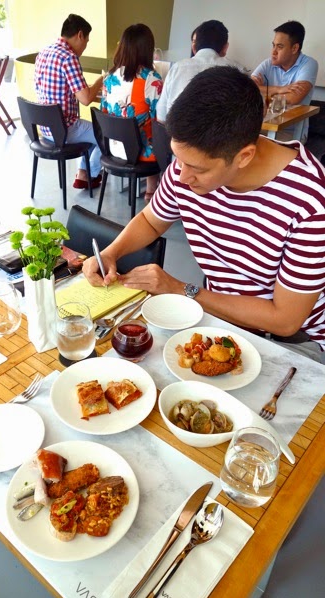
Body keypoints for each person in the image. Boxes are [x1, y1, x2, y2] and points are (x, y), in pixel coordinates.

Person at [83, 66, 325, 363]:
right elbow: (150, 220)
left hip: (293, 344)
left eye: (197, 168)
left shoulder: (310, 203)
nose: (181, 177)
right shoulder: (188, 165)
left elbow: (285, 320)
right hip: (219, 319)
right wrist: (111, 253)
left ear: (244, 157)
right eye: (178, 159)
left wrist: (179, 289)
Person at [34, 13, 103, 189]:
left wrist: (89, 89)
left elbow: (58, 89)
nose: (85, 47)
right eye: (86, 41)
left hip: (45, 128)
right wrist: (100, 81)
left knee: (89, 131)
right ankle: (91, 175)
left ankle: (82, 174)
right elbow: (85, 99)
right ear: (80, 35)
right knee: (105, 134)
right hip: (64, 129)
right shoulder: (69, 57)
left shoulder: (44, 52)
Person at [100, 23, 163, 202]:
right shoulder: (151, 79)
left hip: (113, 148)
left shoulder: (109, 78)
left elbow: (104, 112)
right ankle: (153, 190)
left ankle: (151, 188)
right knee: (162, 134)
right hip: (140, 153)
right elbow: (158, 118)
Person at [156, 19, 244, 122]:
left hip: (177, 131)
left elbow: (161, 116)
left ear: (194, 46)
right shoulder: (237, 71)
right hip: (221, 131)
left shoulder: (177, 68)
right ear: (225, 48)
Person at [251, 20, 318, 142]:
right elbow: (248, 88)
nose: (273, 52)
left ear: (294, 48)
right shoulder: (268, 63)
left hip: (291, 133)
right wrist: (279, 89)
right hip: (261, 126)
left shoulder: (309, 64)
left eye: (280, 47)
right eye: (273, 45)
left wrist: (262, 92)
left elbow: (293, 98)